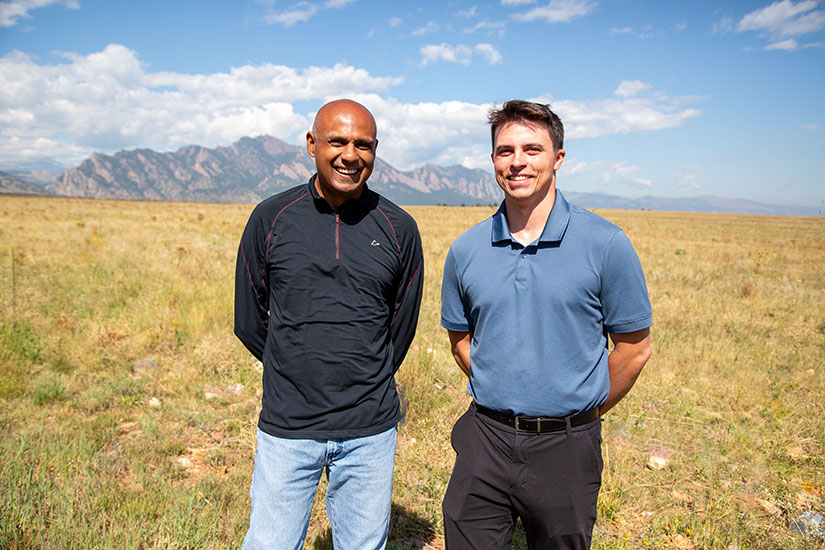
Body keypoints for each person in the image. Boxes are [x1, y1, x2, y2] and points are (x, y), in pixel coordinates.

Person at [440, 100, 652, 549]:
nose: (517, 162)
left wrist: (578, 408)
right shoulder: (465, 250)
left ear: (558, 158)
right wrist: (506, 390)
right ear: (493, 160)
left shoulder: (606, 244)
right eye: (505, 151)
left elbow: (634, 349)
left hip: (566, 449)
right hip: (485, 441)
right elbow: (461, 342)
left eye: (532, 149)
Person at [234, 99, 424, 550]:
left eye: (363, 145)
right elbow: (249, 318)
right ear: (311, 144)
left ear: (375, 151)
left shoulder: (400, 227)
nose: (349, 154)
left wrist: (361, 373)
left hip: (369, 429)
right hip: (288, 425)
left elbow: (401, 326)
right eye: (337, 141)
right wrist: (294, 365)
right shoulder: (271, 217)